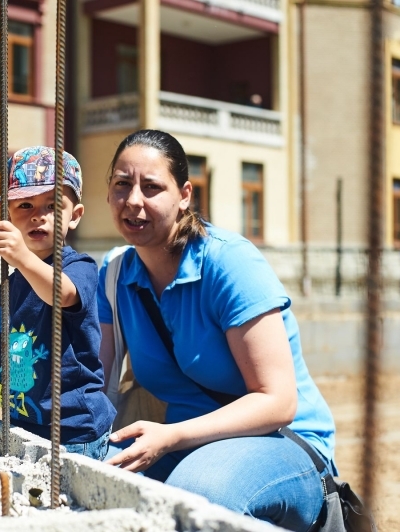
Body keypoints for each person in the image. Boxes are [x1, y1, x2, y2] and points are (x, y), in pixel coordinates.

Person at [97, 130, 336, 530]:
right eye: (122, 185)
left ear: (184, 194)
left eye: (152, 187)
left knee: (197, 495)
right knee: (94, 478)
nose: (134, 201)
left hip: (279, 443)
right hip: (180, 442)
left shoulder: (229, 263)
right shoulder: (114, 274)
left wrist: (172, 436)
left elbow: (277, 402)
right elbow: (98, 383)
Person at [0, 146, 116, 460]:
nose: (38, 215)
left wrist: (22, 258)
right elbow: (0, 346)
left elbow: (61, 293)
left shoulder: (79, 267)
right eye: (25, 205)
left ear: (74, 216)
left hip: (74, 432)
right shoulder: (10, 285)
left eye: (53, 205)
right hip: (26, 425)